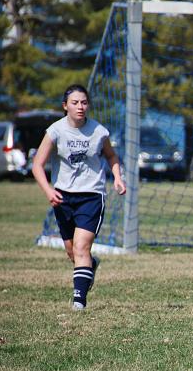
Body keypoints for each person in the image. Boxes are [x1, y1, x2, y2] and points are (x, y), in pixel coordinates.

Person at [31, 84, 126, 310]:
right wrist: (49, 191)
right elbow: (37, 165)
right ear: (65, 106)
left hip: (92, 195)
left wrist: (118, 178)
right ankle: (90, 266)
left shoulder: (99, 132)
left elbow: (111, 156)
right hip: (63, 197)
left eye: (84, 102)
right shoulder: (55, 131)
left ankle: (79, 302)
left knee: (82, 247)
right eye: (75, 103)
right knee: (72, 251)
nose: (80, 107)